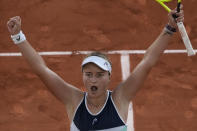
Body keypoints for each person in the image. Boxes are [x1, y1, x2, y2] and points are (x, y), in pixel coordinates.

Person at [7, 5, 184, 131]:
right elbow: (41, 70)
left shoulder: (119, 99)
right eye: (89, 74)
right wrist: (18, 37)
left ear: (109, 77)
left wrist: (169, 28)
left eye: (99, 75)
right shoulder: (73, 100)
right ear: (83, 76)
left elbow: (147, 62)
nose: (93, 79)